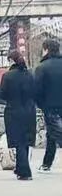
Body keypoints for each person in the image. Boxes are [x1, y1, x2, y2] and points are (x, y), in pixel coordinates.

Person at [0, 49, 38, 181]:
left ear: (11, 61)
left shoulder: (7, 76)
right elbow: (36, 92)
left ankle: (25, 171)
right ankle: (21, 168)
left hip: (13, 112)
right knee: (25, 141)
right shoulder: (30, 74)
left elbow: (1, 94)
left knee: (19, 142)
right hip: (29, 111)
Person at [35, 36, 62, 172]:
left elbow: (37, 90)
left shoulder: (42, 68)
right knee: (51, 135)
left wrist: (42, 105)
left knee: (56, 133)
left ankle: (46, 164)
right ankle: (46, 163)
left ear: (46, 50)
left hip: (50, 107)